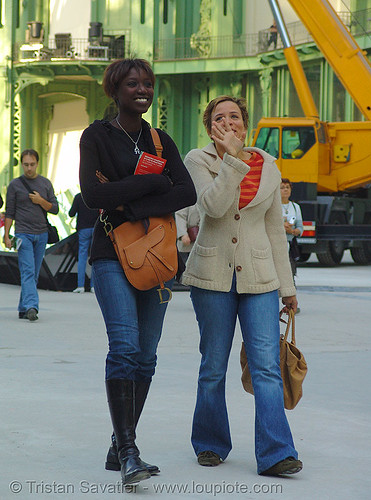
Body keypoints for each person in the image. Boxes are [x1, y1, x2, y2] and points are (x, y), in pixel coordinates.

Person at [79, 58, 196, 486]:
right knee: (125, 346)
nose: (142, 89)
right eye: (133, 83)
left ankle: (119, 444)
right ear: (115, 90)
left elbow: (186, 190)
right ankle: (130, 452)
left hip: (156, 256)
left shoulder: (161, 141)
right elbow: (92, 195)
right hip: (110, 253)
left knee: (146, 356)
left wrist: (129, 201)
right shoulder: (96, 136)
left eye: (147, 83)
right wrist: (151, 184)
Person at [182, 95, 302, 476]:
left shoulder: (268, 164)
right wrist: (232, 160)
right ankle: (211, 443)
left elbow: (273, 231)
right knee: (213, 365)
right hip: (212, 276)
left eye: (235, 116)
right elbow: (212, 208)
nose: (229, 122)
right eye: (220, 118)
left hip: (260, 277)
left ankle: (276, 452)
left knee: (266, 366)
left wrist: (288, 287)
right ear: (209, 127)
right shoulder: (197, 160)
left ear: (245, 124)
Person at [3, 149, 59, 321]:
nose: (29, 168)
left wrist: (41, 201)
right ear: (22, 164)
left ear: (37, 164)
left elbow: (55, 208)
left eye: (32, 164)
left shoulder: (45, 184)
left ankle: (23, 307)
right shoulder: (14, 185)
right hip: (22, 234)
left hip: (41, 234)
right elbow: (9, 212)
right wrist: (6, 235)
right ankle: (32, 306)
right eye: (26, 164)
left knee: (33, 273)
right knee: (27, 271)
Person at [280, 178, 304, 308]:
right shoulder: (274, 206)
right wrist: (280, 226)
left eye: (287, 187)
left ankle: (291, 302)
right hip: (276, 245)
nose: (285, 190)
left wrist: (293, 231)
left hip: (289, 245)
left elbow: (300, 228)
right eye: (282, 187)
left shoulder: (295, 207)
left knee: (290, 273)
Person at [68, 192, 98, 293]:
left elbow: (71, 213)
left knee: (82, 257)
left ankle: (80, 286)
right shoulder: (96, 195)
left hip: (83, 229)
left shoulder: (78, 197)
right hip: (96, 228)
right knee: (95, 257)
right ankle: (94, 286)